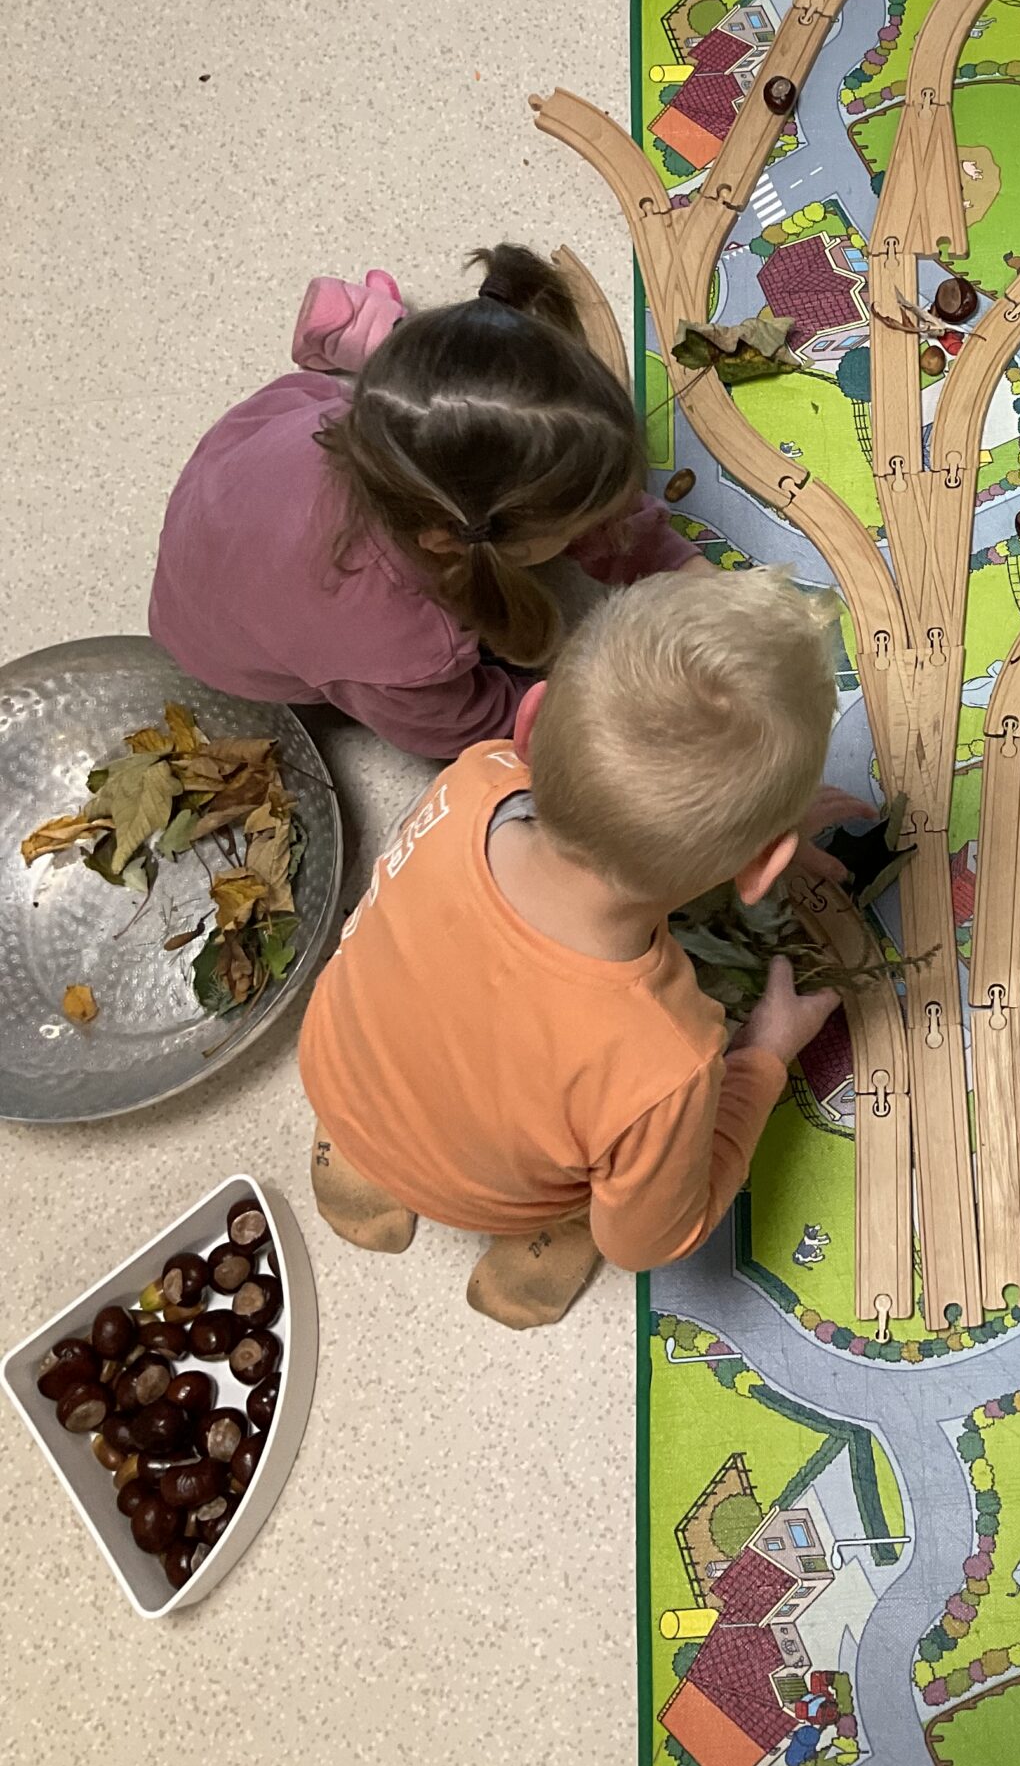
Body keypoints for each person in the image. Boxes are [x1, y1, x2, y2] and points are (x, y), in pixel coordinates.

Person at [300, 568, 861, 1326]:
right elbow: (650, 1240)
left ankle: (358, 1166)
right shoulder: (665, 1060)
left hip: (337, 1071)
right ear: (765, 869)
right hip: (486, 1193)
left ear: (529, 724)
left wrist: (757, 834)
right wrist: (762, 1056)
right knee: (603, 1196)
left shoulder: (471, 782)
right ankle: (536, 1245)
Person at [150, 244, 700, 759]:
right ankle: (369, 329)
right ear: (454, 540)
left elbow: (563, 484)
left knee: (470, 429)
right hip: (219, 640)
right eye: (575, 525)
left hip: (255, 458)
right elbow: (473, 722)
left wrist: (678, 567)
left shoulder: (382, 430)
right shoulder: (405, 650)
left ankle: (376, 331)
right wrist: (595, 710)